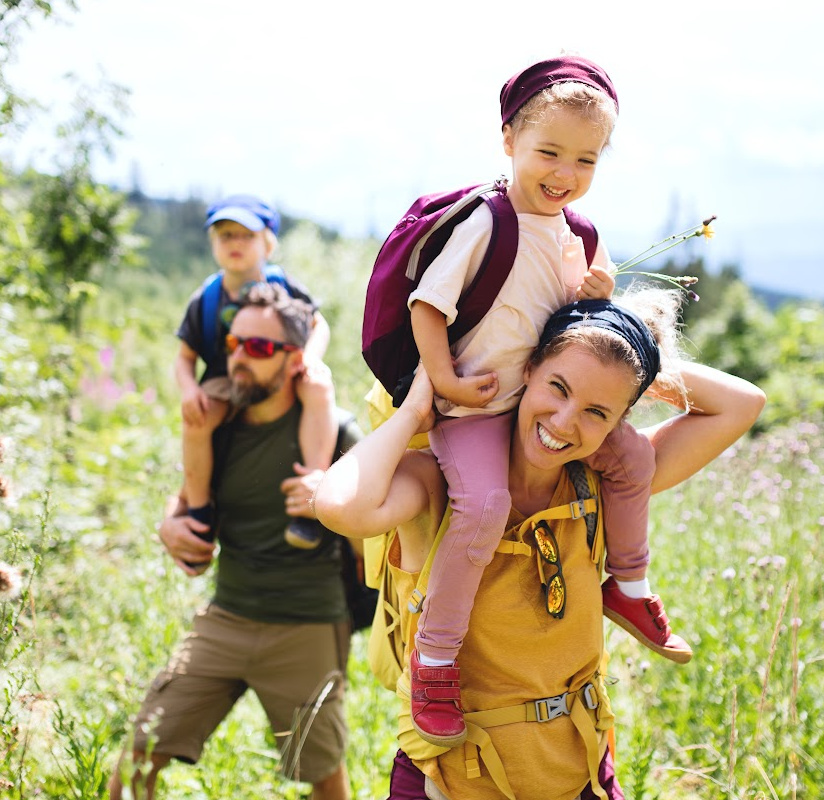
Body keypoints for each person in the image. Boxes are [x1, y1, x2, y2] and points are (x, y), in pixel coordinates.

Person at [315, 288, 766, 800]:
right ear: (525, 369)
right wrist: (417, 407)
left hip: (580, 773)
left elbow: (741, 404)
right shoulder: (439, 484)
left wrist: (626, 356)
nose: (564, 422)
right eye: (558, 386)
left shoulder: (604, 485)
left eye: (598, 412)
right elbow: (339, 506)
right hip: (452, 782)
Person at [401, 54, 689, 746]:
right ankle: (435, 658)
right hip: (474, 407)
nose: (565, 174)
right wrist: (441, 381)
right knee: (485, 504)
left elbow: (563, 328)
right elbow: (428, 305)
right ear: (509, 141)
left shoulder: (576, 235)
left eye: (586, 160)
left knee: (630, 461)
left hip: (535, 401)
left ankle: (628, 582)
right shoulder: (486, 222)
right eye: (549, 153)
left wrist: (591, 295)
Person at [109, 283, 359, 800]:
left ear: (295, 360)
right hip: (227, 617)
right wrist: (168, 523)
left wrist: (337, 502)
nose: (240, 357)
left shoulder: (336, 431)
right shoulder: (218, 424)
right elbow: (187, 499)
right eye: (234, 344)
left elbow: (379, 535)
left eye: (260, 348)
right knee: (137, 757)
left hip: (307, 624)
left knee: (321, 774)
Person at [175, 193, 337, 551]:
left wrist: (309, 358)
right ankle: (200, 510)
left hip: (280, 371)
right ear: (213, 243)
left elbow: (318, 324)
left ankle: (310, 490)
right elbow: (185, 356)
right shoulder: (206, 298)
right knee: (196, 421)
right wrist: (189, 390)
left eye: (246, 235)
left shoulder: (284, 286)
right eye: (225, 235)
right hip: (224, 378)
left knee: (319, 389)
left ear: (268, 243)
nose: (235, 244)